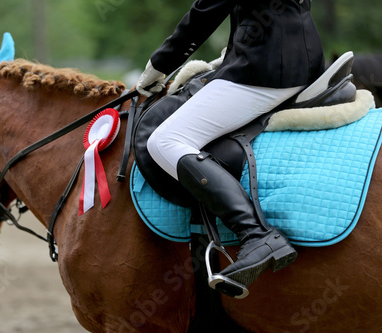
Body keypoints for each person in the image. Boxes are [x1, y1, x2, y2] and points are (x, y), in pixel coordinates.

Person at [136, 0, 325, 293]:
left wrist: (160, 64)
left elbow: (206, 10)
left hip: (264, 66)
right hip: (303, 55)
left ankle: (256, 235)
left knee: (164, 141)